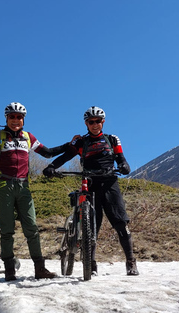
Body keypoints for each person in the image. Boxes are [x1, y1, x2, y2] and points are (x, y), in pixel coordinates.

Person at [0, 102, 68, 280]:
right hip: (3, 186)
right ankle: (9, 271)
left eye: (19, 117)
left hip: (24, 187)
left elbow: (47, 153)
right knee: (6, 229)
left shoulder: (28, 137)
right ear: (6, 118)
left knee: (31, 227)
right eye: (12, 117)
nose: (16, 120)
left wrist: (69, 145)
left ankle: (40, 269)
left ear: (23, 119)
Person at [43, 106, 139, 276]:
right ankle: (91, 264)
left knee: (120, 224)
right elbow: (65, 157)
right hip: (90, 184)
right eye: (91, 122)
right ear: (86, 123)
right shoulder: (81, 142)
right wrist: (51, 167)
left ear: (103, 122)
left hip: (110, 184)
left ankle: (131, 262)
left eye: (98, 121)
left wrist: (124, 166)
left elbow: (121, 159)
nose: (95, 125)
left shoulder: (112, 139)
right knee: (92, 228)